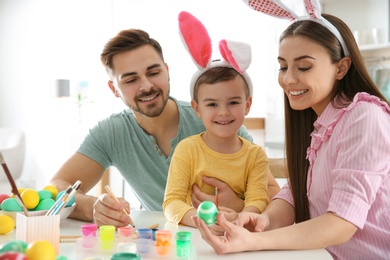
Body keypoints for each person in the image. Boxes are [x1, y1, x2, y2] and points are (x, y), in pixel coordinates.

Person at [192, 1, 390, 259]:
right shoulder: (319, 122)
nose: (288, 79)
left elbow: (342, 223)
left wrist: (254, 242)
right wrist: (260, 221)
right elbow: (297, 194)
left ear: (341, 67)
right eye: (283, 66)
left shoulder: (365, 116)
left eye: (304, 66)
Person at [49, 28, 281, 227]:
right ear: (113, 89)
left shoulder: (216, 119)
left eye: (153, 72)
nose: (147, 86)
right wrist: (93, 207)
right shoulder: (111, 133)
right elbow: (56, 187)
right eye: (131, 80)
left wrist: (239, 206)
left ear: (167, 71)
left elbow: (273, 195)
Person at [163, 64, 269, 228]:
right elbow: (171, 203)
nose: (223, 112)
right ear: (197, 109)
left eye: (233, 102)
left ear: (247, 105)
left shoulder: (256, 156)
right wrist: (204, 222)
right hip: (193, 238)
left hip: (238, 235)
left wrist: (241, 218)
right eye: (212, 104)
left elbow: (258, 200)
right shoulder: (186, 150)